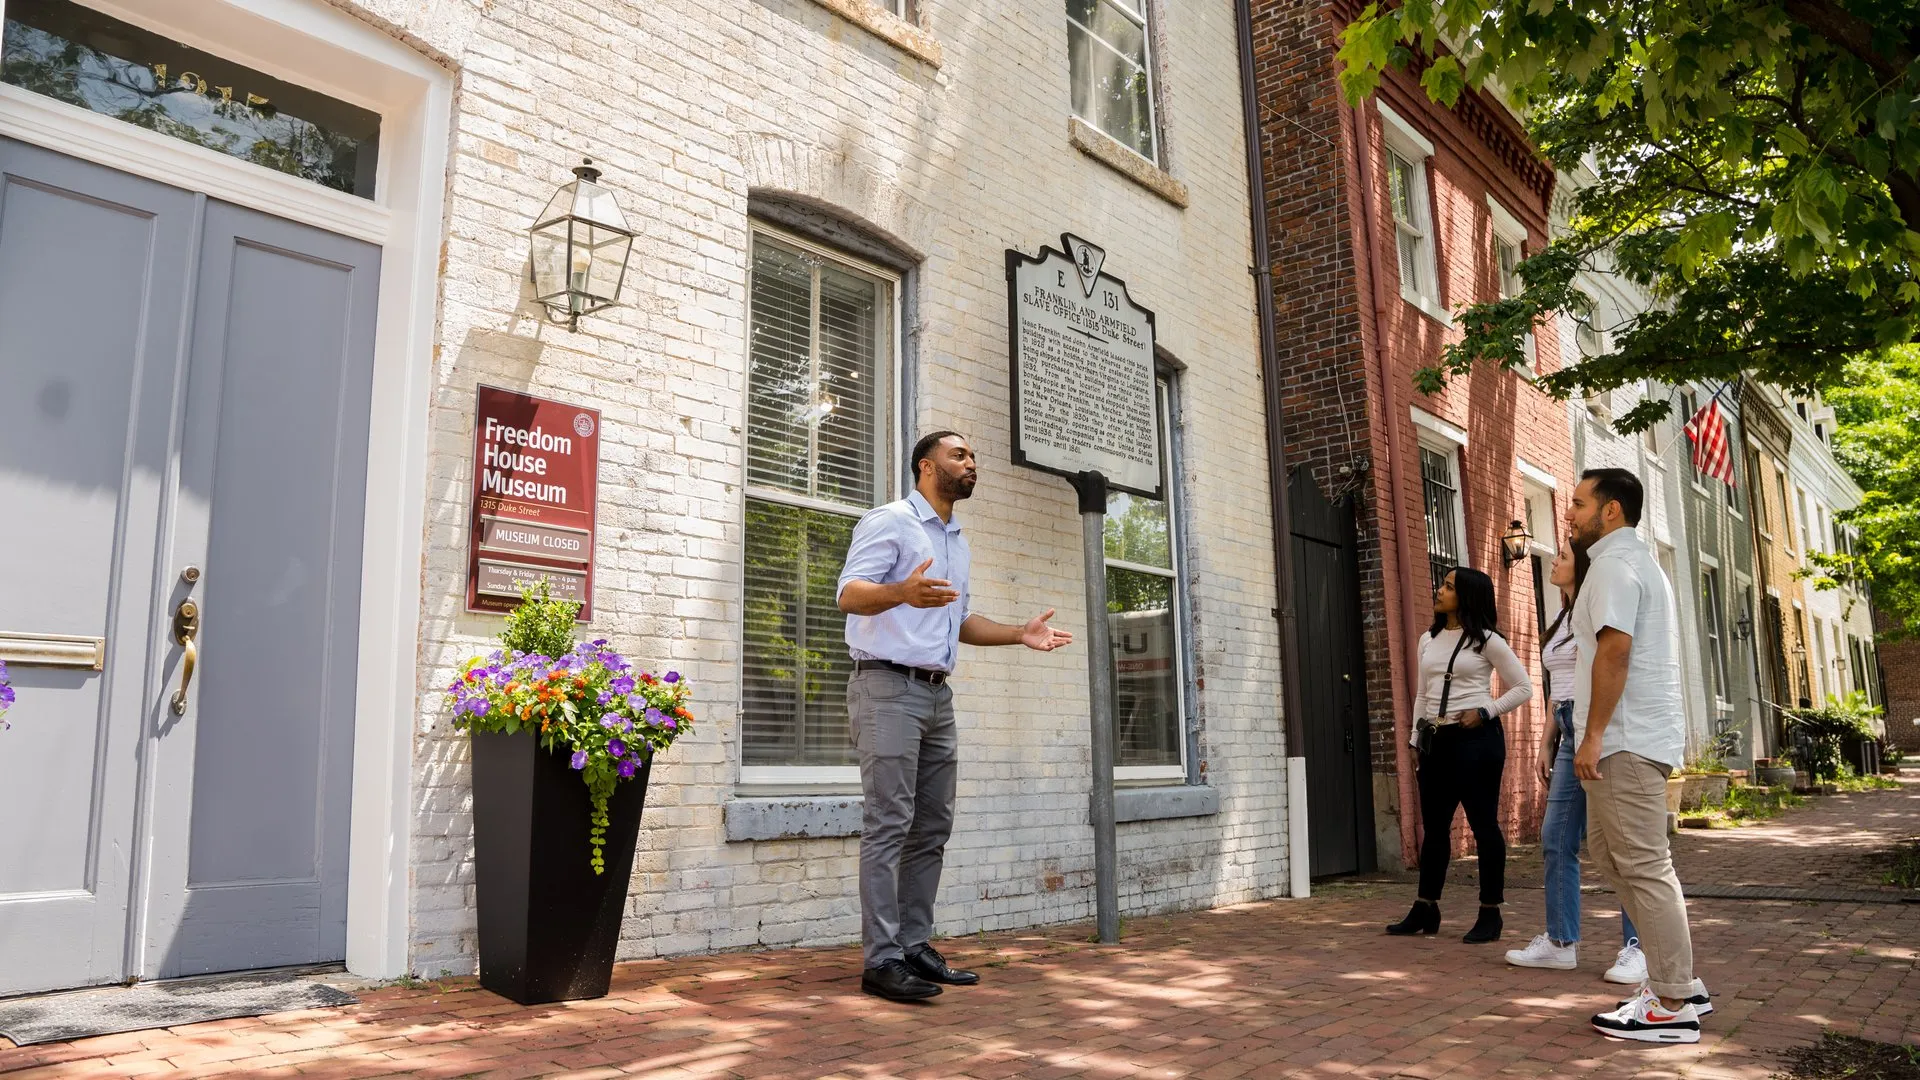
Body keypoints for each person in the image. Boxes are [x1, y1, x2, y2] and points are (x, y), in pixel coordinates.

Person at [836, 431, 1074, 1002]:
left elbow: (959, 621)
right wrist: (900, 593)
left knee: (932, 825)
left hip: (938, 695)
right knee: (888, 823)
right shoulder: (890, 521)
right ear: (926, 465)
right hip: (887, 686)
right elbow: (848, 594)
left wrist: (1020, 633)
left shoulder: (957, 542)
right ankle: (882, 960)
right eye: (959, 454)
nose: (971, 463)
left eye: (974, 456)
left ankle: (915, 946)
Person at [1566, 468, 1712, 1043]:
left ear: (1611, 511)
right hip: (1628, 738)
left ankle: (1673, 1002)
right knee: (1610, 856)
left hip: (1623, 740)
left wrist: (1594, 734)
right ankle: (1676, 983)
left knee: (1646, 866)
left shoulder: (1615, 566)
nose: (1570, 512)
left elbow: (1615, 652)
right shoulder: (1628, 562)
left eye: (1578, 503)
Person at [1505, 546, 1647, 983]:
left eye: (1562, 555)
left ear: (1580, 566)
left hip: (1595, 729)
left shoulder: (1593, 610)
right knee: (1555, 837)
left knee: (1622, 845)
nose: (1553, 560)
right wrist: (1548, 739)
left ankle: (1639, 947)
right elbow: (1559, 686)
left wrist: (1593, 733)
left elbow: (1608, 670)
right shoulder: (1564, 617)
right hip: (1568, 730)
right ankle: (1561, 942)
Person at [1386, 566, 1533, 944]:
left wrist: (1485, 711)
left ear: (1466, 595)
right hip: (1437, 740)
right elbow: (1422, 693)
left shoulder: (1487, 641)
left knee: (1484, 827)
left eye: (1449, 587)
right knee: (1434, 829)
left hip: (1477, 741)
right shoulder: (1427, 639)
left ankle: (1490, 912)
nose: (1440, 590)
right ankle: (1425, 906)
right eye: (1442, 584)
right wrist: (1416, 738)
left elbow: (1523, 687)